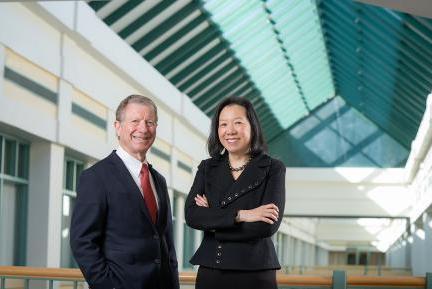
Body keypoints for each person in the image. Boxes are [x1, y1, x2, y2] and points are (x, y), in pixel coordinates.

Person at [70, 95, 179, 289]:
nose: (143, 129)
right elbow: (83, 242)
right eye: (135, 121)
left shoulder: (159, 181)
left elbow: (166, 243)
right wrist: (108, 285)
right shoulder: (96, 177)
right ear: (118, 127)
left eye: (150, 122)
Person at [185, 96, 286, 289]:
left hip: (255, 273)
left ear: (252, 126)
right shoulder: (208, 167)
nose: (229, 130)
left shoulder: (273, 168)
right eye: (223, 124)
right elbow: (192, 216)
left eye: (238, 122)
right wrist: (242, 215)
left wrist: (214, 222)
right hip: (212, 270)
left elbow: (266, 227)